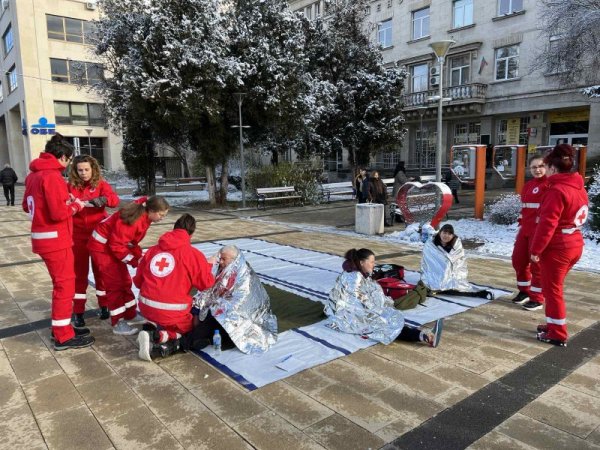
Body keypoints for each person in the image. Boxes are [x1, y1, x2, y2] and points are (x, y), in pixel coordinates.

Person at [22, 134, 94, 350]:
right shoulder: (52, 177)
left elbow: (27, 206)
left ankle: (62, 326)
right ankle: (63, 335)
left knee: (61, 284)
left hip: (42, 238)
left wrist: (64, 200)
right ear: (63, 157)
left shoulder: (33, 176)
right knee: (65, 286)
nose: (68, 165)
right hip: (56, 240)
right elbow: (57, 213)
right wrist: (76, 206)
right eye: (69, 160)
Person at [134, 214, 216, 361]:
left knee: (160, 314)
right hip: (172, 313)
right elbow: (206, 284)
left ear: (174, 228)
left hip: (145, 306)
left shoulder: (152, 251)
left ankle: (151, 327)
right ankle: (160, 337)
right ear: (191, 233)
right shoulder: (194, 255)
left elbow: (138, 282)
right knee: (191, 329)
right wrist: (208, 265)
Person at [530, 144, 589, 347]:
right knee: (553, 289)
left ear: (553, 168)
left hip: (558, 247)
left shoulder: (557, 190)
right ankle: (552, 324)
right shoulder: (578, 186)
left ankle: (557, 332)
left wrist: (535, 250)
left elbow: (547, 224)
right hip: (574, 243)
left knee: (552, 291)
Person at [326, 248, 442, 346]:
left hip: (351, 311)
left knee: (389, 317)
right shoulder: (354, 276)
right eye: (371, 262)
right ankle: (423, 337)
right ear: (362, 262)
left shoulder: (357, 273)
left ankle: (421, 333)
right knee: (383, 323)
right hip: (349, 316)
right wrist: (377, 308)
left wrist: (382, 302)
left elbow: (367, 292)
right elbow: (355, 299)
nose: (374, 265)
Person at [88, 195, 169, 335]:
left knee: (125, 281)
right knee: (115, 285)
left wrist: (137, 255)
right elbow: (117, 245)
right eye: (161, 214)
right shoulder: (134, 221)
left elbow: (129, 241)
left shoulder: (144, 210)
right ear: (151, 211)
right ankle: (118, 322)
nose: (162, 218)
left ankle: (130, 313)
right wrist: (133, 260)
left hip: (110, 246)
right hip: (102, 248)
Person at [192, 245, 278, 354]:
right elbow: (206, 292)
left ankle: (209, 339)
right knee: (198, 332)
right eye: (220, 258)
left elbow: (241, 301)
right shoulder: (220, 271)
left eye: (224, 259)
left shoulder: (245, 275)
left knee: (229, 335)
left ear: (234, 260)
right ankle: (182, 343)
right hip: (217, 313)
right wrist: (198, 310)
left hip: (237, 317)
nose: (221, 262)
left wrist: (219, 306)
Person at [68, 155, 120, 327]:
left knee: (101, 271)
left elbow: (114, 200)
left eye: (86, 170)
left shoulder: (101, 184)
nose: (83, 173)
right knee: (79, 275)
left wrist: (104, 199)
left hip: (98, 236)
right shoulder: (70, 186)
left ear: (93, 169)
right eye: (80, 170)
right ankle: (78, 312)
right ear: (75, 171)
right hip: (77, 237)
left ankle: (104, 305)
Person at [510, 155, 548, 311]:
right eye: (534, 167)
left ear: (547, 167)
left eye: (540, 166)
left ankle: (537, 298)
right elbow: (525, 209)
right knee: (518, 261)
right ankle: (524, 291)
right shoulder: (528, 185)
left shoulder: (550, 185)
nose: (537, 170)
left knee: (537, 266)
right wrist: (520, 225)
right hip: (525, 230)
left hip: (538, 232)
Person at [421, 224, 493, 298]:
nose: (446, 236)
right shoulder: (431, 244)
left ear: (452, 235)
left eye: (449, 234)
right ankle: (441, 284)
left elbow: (459, 261)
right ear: (440, 233)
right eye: (444, 233)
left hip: (453, 275)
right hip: (435, 274)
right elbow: (428, 261)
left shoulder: (456, 245)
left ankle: (448, 284)